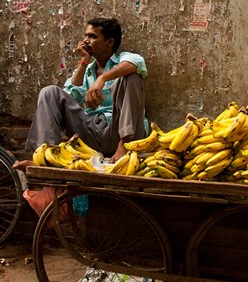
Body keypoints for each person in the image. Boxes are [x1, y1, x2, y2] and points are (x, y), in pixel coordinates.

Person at [14, 17, 148, 170]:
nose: (85, 41)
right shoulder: (87, 70)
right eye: (85, 36)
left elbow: (137, 63)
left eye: (92, 36)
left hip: (119, 131)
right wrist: (84, 61)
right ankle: (45, 156)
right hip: (91, 132)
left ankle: (123, 145)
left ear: (110, 42)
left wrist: (103, 78)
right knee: (49, 92)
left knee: (132, 77)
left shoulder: (124, 60)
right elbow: (69, 95)